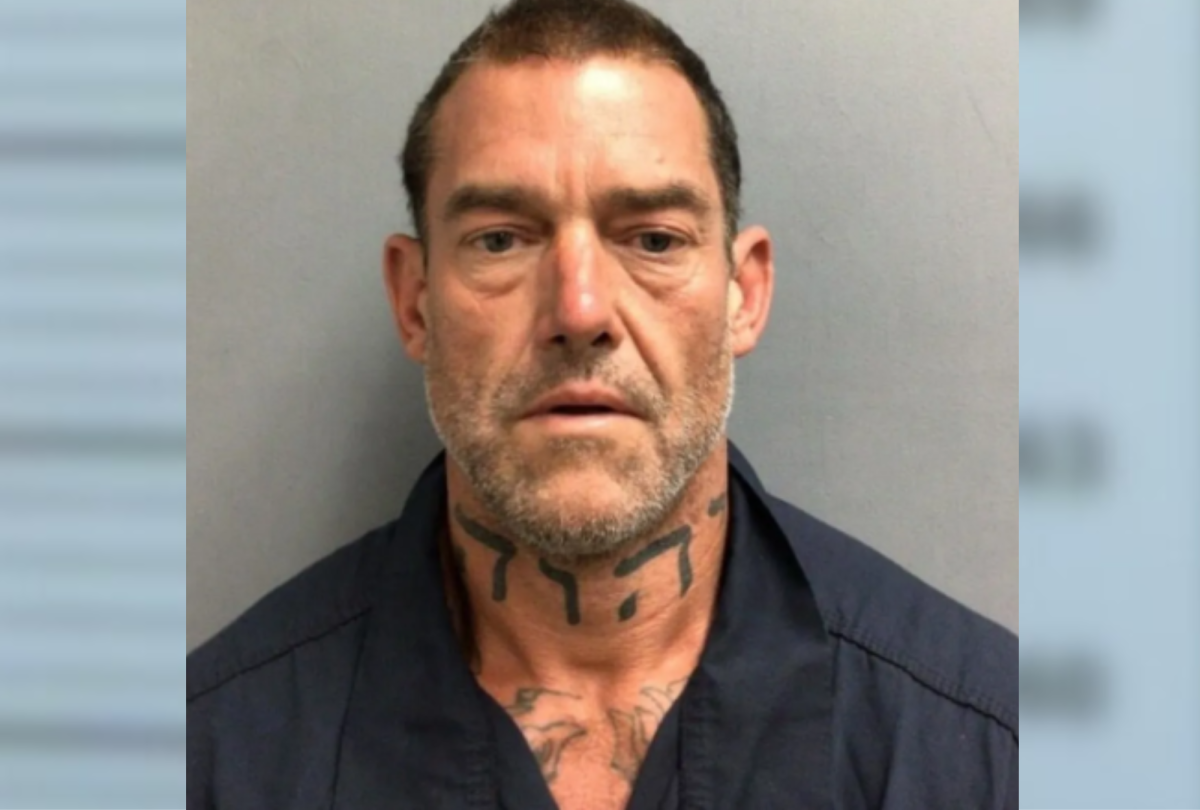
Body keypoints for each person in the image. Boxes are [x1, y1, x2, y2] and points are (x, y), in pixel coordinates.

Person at [186, 0, 1017, 807]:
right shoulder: (211, 760)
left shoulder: (990, 756)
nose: (579, 311)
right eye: (501, 239)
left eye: (654, 239)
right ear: (414, 302)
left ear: (744, 295)